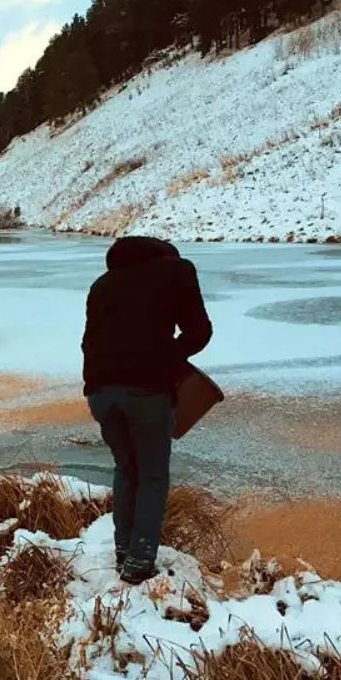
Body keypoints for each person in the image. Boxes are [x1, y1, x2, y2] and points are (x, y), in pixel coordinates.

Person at [81, 236, 212, 585]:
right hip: (146, 392)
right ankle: (140, 562)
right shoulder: (176, 271)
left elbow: (89, 341)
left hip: (100, 392)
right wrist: (168, 357)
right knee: (152, 474)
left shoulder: (102, 284)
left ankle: (124, 549)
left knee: (127, 468)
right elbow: (199, 332)